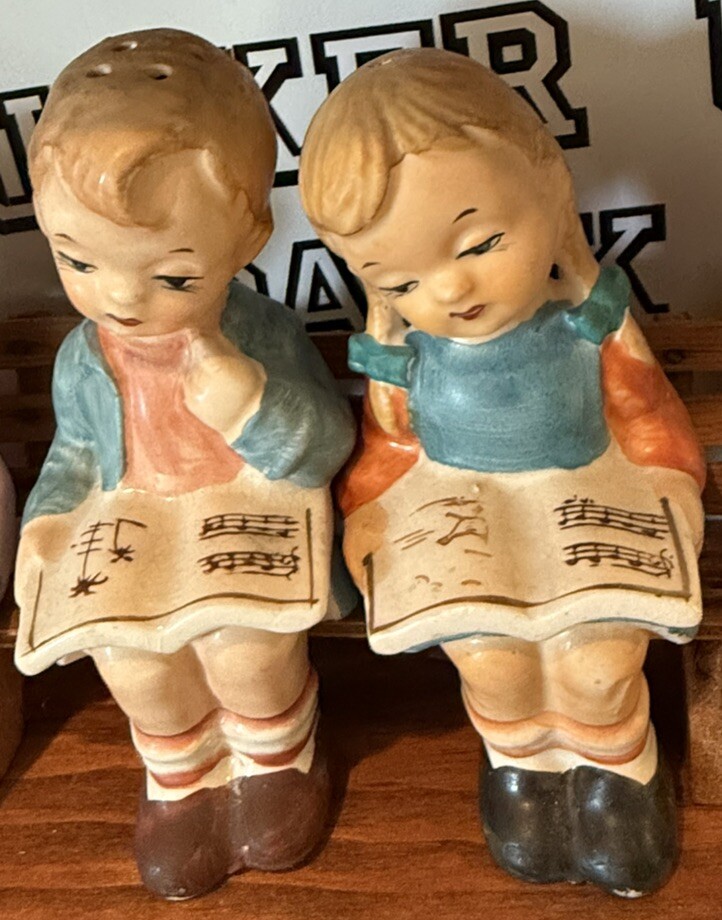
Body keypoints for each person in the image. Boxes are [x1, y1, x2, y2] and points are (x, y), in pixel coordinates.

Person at [300, 47, 705, 897]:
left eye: (481, 241)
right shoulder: (405, 357)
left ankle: (619, 776)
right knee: (490, 660)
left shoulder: (585, 318)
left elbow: (645, 411)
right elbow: (390, 450)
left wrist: (668, 491)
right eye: (401, 278)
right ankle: (523, 769)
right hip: (464, 519)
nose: (451, 290)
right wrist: (376, 515)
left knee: (599, 664)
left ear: (551, 195)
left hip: (592, 499)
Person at [15, 28, 354, 900]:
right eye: (77, 260)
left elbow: (325, 444)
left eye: (172, 275)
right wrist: (47, 526)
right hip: (138, 541)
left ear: (247, 234)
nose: (120, 297)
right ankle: (181, 780)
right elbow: (76, 454)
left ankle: (276, 762)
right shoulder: (86, 358)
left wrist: (250, 403)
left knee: (245, 651)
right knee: (138, 669)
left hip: (248, 539)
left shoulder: (263, 335)